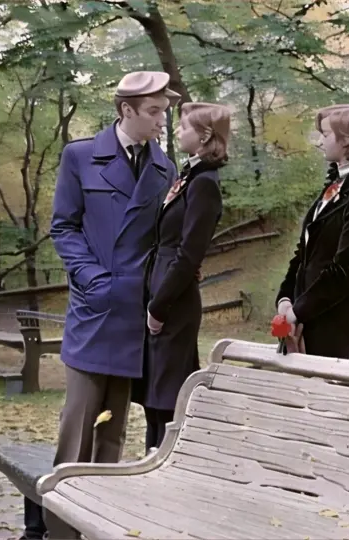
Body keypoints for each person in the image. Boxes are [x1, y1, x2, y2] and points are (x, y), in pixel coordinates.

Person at [19, 71, 180, 540]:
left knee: (113, 431)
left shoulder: (164, 168)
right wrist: (91, 279)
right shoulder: (80, 156)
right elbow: (64, 227)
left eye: (164, 113)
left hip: (136, 314)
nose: (160, 122)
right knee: (79, 424)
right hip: (95, 309)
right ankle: (56, 530)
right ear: (125, 110)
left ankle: (96, 527)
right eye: (153, 112)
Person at [131, 102, 231, 452]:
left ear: (204, 135)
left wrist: (158, 307)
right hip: (159, 289)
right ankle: (148, 466)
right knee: (153, 399)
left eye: (184, 126)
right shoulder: (187, 177)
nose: (176, 130)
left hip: (174, 302)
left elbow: (189, 254)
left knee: (167, 397)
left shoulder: (205, 184)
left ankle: (164, 468)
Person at [274, 104, 349, 361]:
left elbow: (343, 272)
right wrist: (285, 299)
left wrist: (298, 311)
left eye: (325, 134)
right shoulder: (333, 189)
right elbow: (303, 254)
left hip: (336, 325)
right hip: (306, 320)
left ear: (346, 139)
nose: (319, 141)